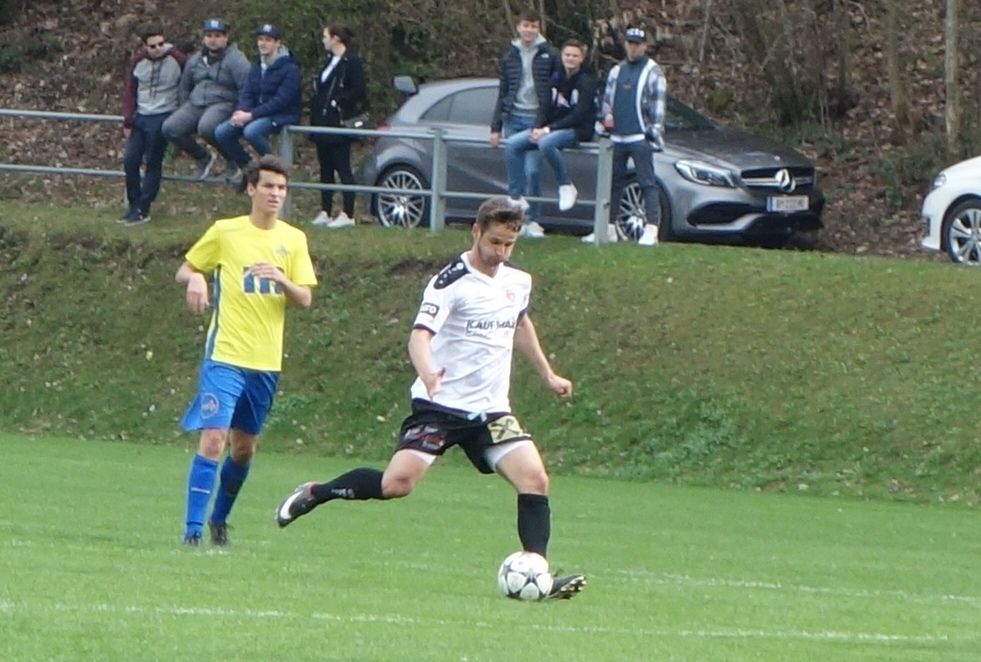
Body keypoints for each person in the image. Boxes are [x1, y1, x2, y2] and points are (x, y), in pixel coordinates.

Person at [275, 195, 586, 600]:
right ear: (476, 231)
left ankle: (537, 574)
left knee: (535, 479)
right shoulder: (449, 282)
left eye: (509, 245)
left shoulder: (517, 281)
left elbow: (520, 324)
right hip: (439, 407)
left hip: (491, 411)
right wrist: (427, 371)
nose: (501, 252)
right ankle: (317, 493)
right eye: (494, 242)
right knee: (397, 483)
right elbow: (419, 336)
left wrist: (548, 374)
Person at [176, 154, 317, 547]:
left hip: (265, 362)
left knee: (244, 449)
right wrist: (197, 278)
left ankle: (219, 520)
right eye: (268, 185)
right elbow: (185, 268)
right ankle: (192, 531)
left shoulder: (293, 239)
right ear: (251, 189)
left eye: (281, 187)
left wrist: (282, 279)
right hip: (225, 355)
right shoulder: (226, 232)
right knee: (213, 439)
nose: (276, 193)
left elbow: (305, 298)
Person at [588, 25, 666, 247]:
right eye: (630, 44)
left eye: (637, 44)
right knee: (613, 183)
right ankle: (608, 227)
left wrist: (652, 134)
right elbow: (608, 102)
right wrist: (604, 126)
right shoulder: (617, 70)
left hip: (639, 136)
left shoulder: (653, 71)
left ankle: (652, 227)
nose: (633, 48)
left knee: (647, 182)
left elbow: (658, 107)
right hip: (618, 137)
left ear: (644, 46)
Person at [503, 39, 596, 215]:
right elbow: (545, 106)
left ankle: (566, 185)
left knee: (546, 143)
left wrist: (548, 130)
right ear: (562, 56)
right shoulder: (556, 77)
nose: (570, 58)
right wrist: (538, 127)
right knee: (512, 144)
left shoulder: (586, 81)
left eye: (575, 56)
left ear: (581, 59)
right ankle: (515, 197)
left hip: (576, 130)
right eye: (567, 55)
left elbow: (579, 115)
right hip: (550, 128)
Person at [489, 9, 560, 239]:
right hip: (513, 118)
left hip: (535, 120)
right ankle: (515, 220)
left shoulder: (549, 54)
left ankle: (533, 220)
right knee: (515, 175)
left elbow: (555, 91)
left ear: (539, 28)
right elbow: (503, 92)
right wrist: (496, 127)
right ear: (518, 27)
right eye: (525, 26)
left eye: (533, 26)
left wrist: (548, 121)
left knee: (532, 171)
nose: (529, 30)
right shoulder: (509, 56)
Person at [162, 18, 251, 182]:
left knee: (207, 127)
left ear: (226, 37)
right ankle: (202, 157)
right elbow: (185, 85)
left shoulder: (236, 59)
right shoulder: (196, 59)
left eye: (217, 36)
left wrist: (241, 110)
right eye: (209, 36)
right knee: (170, 128)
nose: (213, 40)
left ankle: (232, 158)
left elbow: (246, 87)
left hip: (223, 103)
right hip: (195, 103)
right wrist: (183, 106)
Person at [214, 24, 302, 178]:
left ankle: (276, 168)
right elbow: (247, 92)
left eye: (268, 40)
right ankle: (249, 168)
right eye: (260, 39)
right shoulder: (256, 65)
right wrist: (241, 111)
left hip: (281, 115)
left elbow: (281, 101)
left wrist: (251, 115)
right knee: (222, 132)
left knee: (252, 132)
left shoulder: (290, 69)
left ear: (277, 43)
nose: (263, 43)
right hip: (256, 113)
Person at [120, 24, 186, 225]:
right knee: (130, 160)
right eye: (153, 46)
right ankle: (134, 205)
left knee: (153, 162)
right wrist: (128, 119)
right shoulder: (138, 61)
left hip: (163, 115)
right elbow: (131, 90)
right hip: (141, 116)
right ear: (145, 46)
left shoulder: (177, 59)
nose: (158, 49)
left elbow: (188, 83)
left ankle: (143, 207)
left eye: (160, 44)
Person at [309, 23, 367, 229]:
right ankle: (325, 210)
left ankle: (348, 213)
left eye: (326, 36)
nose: (323, 40)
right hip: (323, 121)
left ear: (336, 38)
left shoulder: (351, 62)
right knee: (325, 168)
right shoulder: (328, 61)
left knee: (343, 168)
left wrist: (339, 102)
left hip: (339, 123)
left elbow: (359, 90)